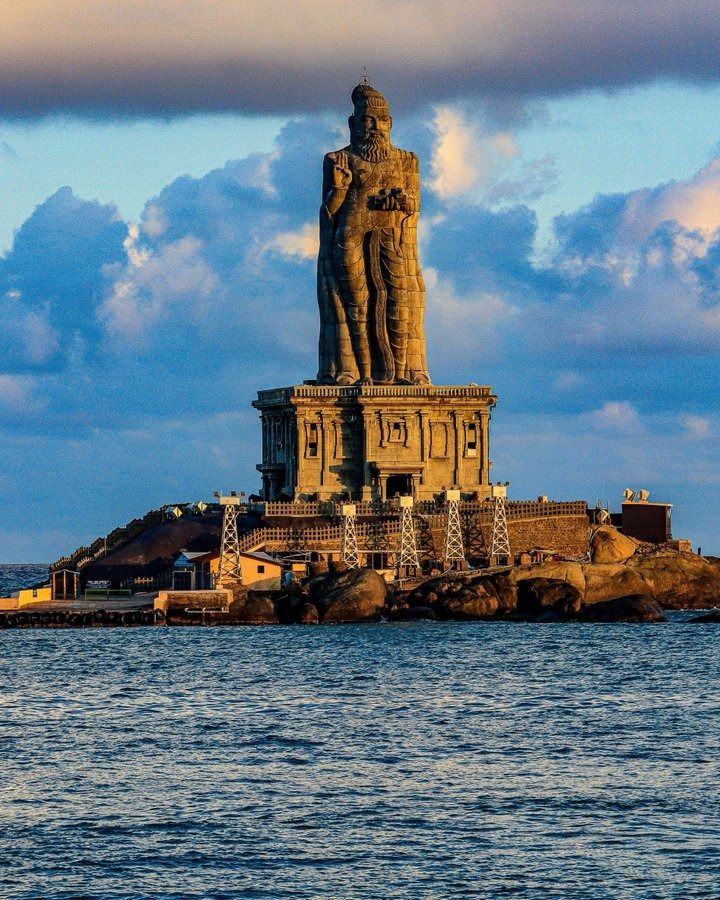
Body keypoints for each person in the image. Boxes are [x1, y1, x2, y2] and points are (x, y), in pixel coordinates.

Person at [317, 83, 430, 385]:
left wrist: (403, 202)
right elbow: (329, 212)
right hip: (349, 238)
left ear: (389, 124)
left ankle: (404, 372)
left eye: (380, 121)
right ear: (353, 124)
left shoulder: (407, 160)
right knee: (356, 305)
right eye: (366, 120)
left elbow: (414, 205)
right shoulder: (338, 159)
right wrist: (340, 188)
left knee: (400, 301)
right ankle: (358, 372)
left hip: (394, 240)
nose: (374, 127)